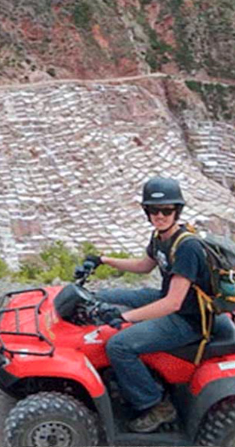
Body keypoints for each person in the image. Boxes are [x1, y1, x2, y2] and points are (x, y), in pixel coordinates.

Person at [79, 177, 212, 433]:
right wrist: (103, 260)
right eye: (154, 210)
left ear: (177, 211)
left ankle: (155, 404)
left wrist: (127, 318)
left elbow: (173, 304)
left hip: (189, 319)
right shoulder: (161, 236)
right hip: (171, 301)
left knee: (118, 345)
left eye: (166, 210)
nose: (159, 215)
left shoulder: (187, 247)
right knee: (106, 295)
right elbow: (144, 265)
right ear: (147, 211)